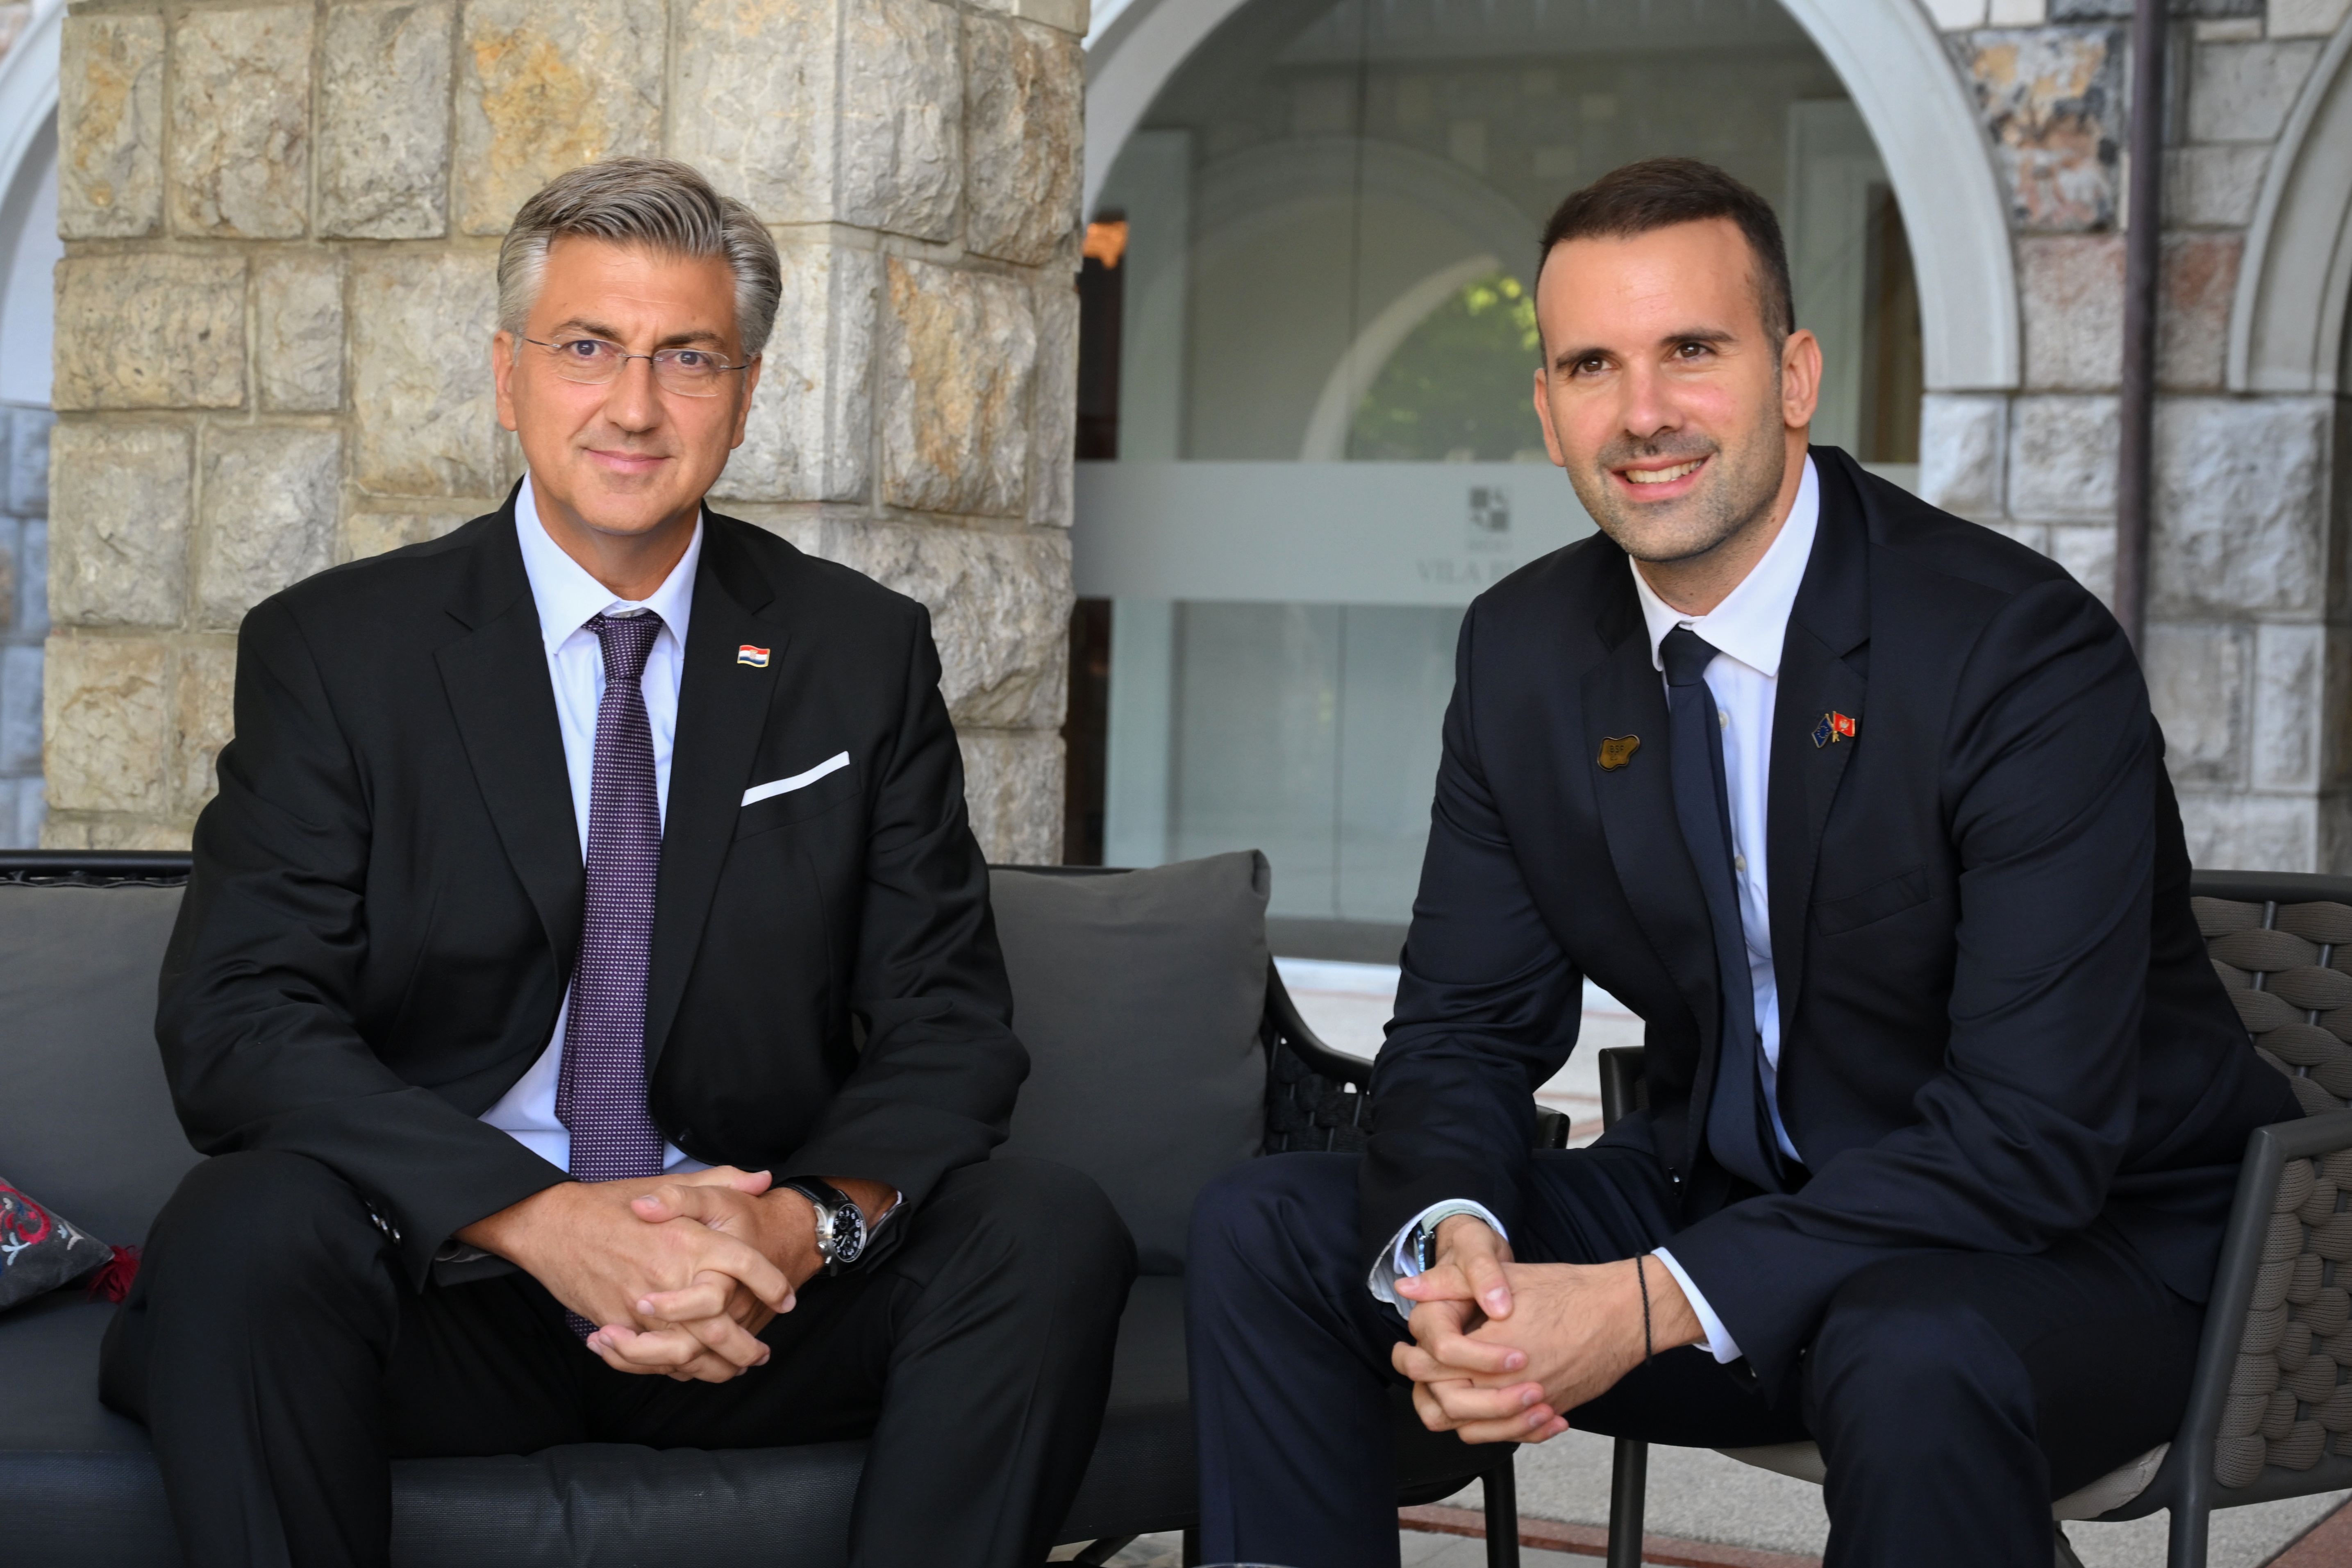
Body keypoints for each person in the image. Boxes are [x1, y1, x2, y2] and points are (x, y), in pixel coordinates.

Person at [1186, 156, 2298, 1568]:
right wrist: (1455, 1239)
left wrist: (1643, 1302)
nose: (1641, 412)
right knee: (1271, 1228)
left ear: (1793, 376)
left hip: (2085, 1251)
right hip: (1731, 1208)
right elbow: (1462, 1025)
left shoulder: (2014, 652)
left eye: (1691, 351)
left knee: (1906, 1349)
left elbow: (2027, 1138)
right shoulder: (1525, 651)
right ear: (1546, 411)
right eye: (1591, 365)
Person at [99, 157, 1136, 1568]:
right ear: (507, 375)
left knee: (1045, 1230)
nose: (635, 405)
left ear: (745, 394)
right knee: (245, 1230)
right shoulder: (339, 649)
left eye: (687, 358)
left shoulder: (855, 651)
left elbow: (945, 1023)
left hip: (750, 1290)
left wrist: (799, 1230)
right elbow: (240, 1019)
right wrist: (542, 1220)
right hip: (446, 1279)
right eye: (587, 347)